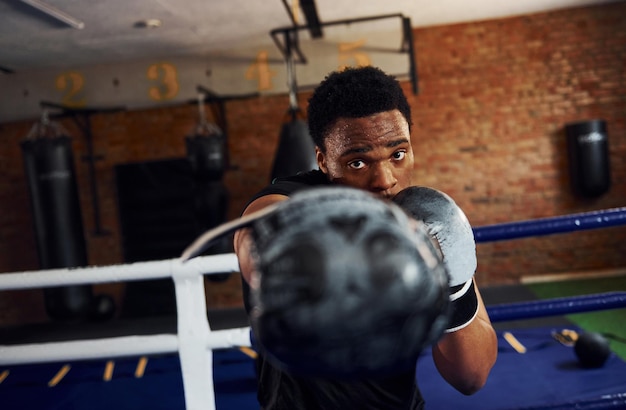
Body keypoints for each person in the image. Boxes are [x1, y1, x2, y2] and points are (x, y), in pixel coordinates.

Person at [233, 66, 497, 409]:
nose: (385, 180)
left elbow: (471, 376)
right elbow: (257, 240)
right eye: (358, 162)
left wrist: (455, 281)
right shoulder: (295, 199)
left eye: (397, 154)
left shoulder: (426, 221)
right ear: (323, 160)